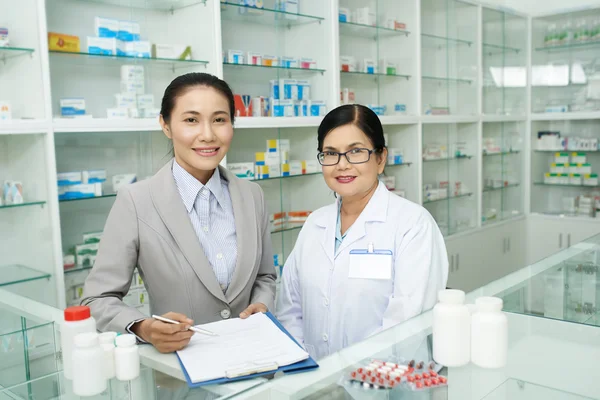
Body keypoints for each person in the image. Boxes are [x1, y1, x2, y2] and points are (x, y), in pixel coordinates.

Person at [82, 73, 276, 353]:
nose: (207, 134)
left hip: (254, 360)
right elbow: (97, 299)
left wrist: (263, 303)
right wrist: (143, 327)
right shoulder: (136, 201)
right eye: (191, 120)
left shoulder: (252, 195)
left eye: (219, 120)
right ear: (165, 125)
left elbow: (265, 277)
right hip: (181, 373)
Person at [276, 104, 448, 360]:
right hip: (314, 381)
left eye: (356, 152)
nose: (342, 165)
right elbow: (290, 310)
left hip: (385, 385)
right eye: (331, 153)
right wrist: (303, 369)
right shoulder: (315, 224)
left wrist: (357, 377)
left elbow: (405, 324)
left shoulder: (413, 225)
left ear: (380, 159)